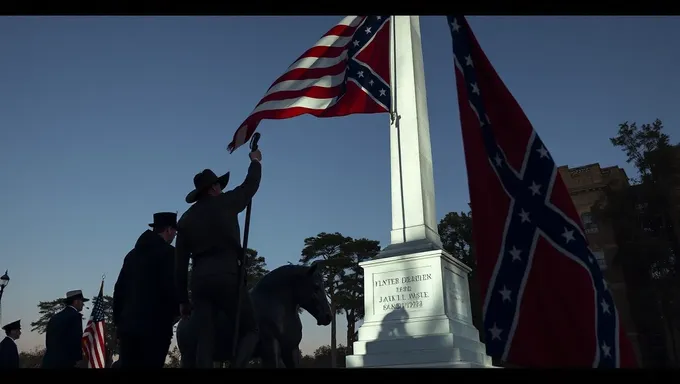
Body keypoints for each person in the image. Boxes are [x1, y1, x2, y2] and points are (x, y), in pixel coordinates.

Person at [175, 147, 262, 368]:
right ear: (213, 188)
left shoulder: (185, 220)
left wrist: (183, 300)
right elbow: (249, 186)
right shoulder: (226, 203)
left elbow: (180, 264)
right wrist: (255, 162)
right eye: (219, 186)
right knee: (250, 329)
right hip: (227, 277)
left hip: (200, 282)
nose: (221, 189)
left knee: (205, 338)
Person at [113, 212, 180, 368]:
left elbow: (119, 291)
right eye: (175, 231)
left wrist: (119, 322)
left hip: (128, 328)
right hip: (155, 328)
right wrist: (178, 310)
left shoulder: (131, 255)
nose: (175, 235)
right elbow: (171, 288)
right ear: (169, 229)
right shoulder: (170, 254)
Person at [41, 291, 88, 368]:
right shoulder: (75, 316)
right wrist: (78, 359)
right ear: (76, 301)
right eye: (82, 301)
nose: (83, 304)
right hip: (66, 362)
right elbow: (76, 339)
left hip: (49, 361)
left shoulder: (55, 317)